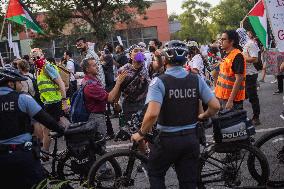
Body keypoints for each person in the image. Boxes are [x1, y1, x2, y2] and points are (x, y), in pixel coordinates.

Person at [131, 40, 220, 189]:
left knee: (155, 172)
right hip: (191, 138)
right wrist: (204, 115)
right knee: (188, 182)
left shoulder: (158, 82)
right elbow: (215, 106)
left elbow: (152, 114)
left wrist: (141, 133)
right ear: (186, 58)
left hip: (167, 140)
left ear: (165, 59)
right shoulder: (196, 79)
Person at [0, 68, 65, 189]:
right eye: (19, 82)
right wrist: (62, 131)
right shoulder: (22, 98)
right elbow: (46, 120)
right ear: (10, 84)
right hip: (23, 156)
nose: (21, 84)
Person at [31, 48, 69, 155]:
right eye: (33, 58)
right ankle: (75, 137)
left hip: (54, 101)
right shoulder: (38, 69)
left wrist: (64, 102)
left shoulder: (47, 66)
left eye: (38, 56)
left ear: (42, 54)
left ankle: (45, 152)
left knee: (46, 127)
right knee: (53, 124)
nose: (36, 59)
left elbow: (61, 83)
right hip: (49, 102)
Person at [81, 57, 126, 142]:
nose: (97, 67)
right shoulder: (91, 85)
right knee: (100, 144)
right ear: (87, 69)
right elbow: (109, 98)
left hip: (96, 115)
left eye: (97, 65)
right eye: (94, 65)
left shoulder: (92, 80)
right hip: (95, 117)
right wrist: (118, 82)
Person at [117, 45, 150, 121]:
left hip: (144, 104)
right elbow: (118, 87)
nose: (139, 53)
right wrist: (116, 103)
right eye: (136, 51)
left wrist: (158, 57)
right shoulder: (123, 70)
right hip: (129, 106)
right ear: (130, 55)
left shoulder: (147, 67)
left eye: (141, 51)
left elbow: (159, 65)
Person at [215, 30, 246, 110]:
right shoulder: (227, 53)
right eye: (220, 39)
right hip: (222, 96)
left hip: (232, 100)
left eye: (223, 39)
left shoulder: (237, 56)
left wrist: (230, 100)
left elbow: (239, 79)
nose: (220, 41)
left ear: (231, 41)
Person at [237, 28, 261, 125]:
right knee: (241, 96)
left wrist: (243, 58)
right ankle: (240, 117)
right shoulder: (243, 45)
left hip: (250, 74)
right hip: (243, 74)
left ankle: (256, 117)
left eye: (238, 36)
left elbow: (255, 59)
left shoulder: (250, 44)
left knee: (252, 97)